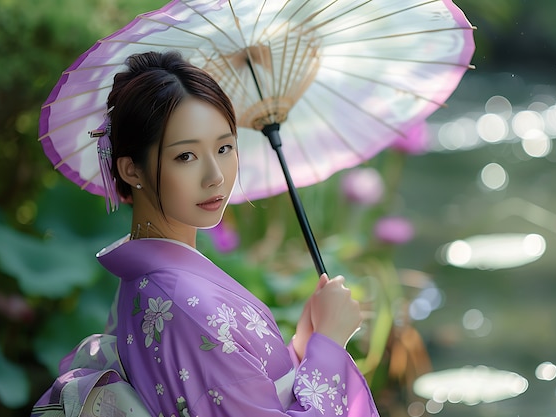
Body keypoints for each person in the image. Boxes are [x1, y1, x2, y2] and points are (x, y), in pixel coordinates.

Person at [31, 51, 379, 417]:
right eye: (186, 156)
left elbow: (243, 387)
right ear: (132, 169)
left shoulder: (154, 279)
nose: (215, 175)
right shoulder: (179, 299)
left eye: (224, 147)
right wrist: (329, 344)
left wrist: (305, 342)